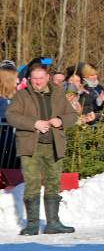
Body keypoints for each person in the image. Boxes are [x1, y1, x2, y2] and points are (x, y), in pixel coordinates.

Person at [6, 61, 78, 235]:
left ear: (47, 78)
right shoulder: (22, 95)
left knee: (53, 182)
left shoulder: (58, 94)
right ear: (29, 79)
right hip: (30, 146)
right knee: (32, 183)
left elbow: (72, 116)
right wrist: (34, 123)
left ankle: (53, 223)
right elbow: (11, 116)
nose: (37, 81)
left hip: (54, 145)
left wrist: (60, 120)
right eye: (34, 78)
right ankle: (32, 224)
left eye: (40, 78)